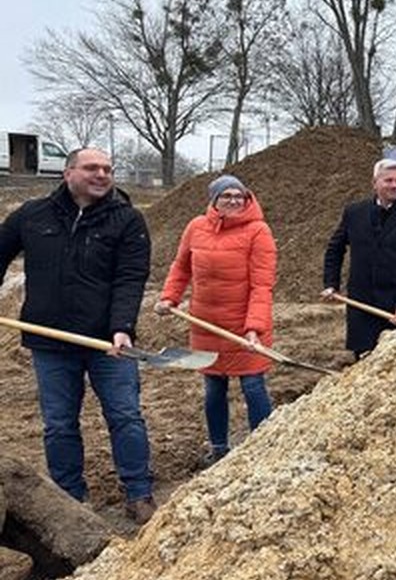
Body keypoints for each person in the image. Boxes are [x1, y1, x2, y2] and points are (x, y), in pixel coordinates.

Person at [0, 148, 156, 524]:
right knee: (58, 422)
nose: (101, 174)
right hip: (50, 342)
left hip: (108, 345)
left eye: (107, 169)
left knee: (125, 416)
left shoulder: (128, 220)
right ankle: (70, 500)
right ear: (68, 173)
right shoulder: (31, 216)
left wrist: (122, 328)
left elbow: (130, 279)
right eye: (92, 168)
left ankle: (139, 493)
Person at [155, 175, 277, 467]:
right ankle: (219, 447)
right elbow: (181, 266)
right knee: (213, 387)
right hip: (206, 323)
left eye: (239, 196)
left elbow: (262, 285)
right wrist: (169, 297)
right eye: (227, 196)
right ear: (214, 200)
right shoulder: (196, 227)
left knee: (253, 385)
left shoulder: (258, 231)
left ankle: (264, 447)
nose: (234, 200)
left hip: (244, 324)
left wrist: (254, 328)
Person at [322, 159, 396, 358]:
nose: (394, 185)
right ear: (375, 183)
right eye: (388, 180)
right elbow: (334, 249)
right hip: (363, 310)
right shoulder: (354, 213)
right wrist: (331, 283)